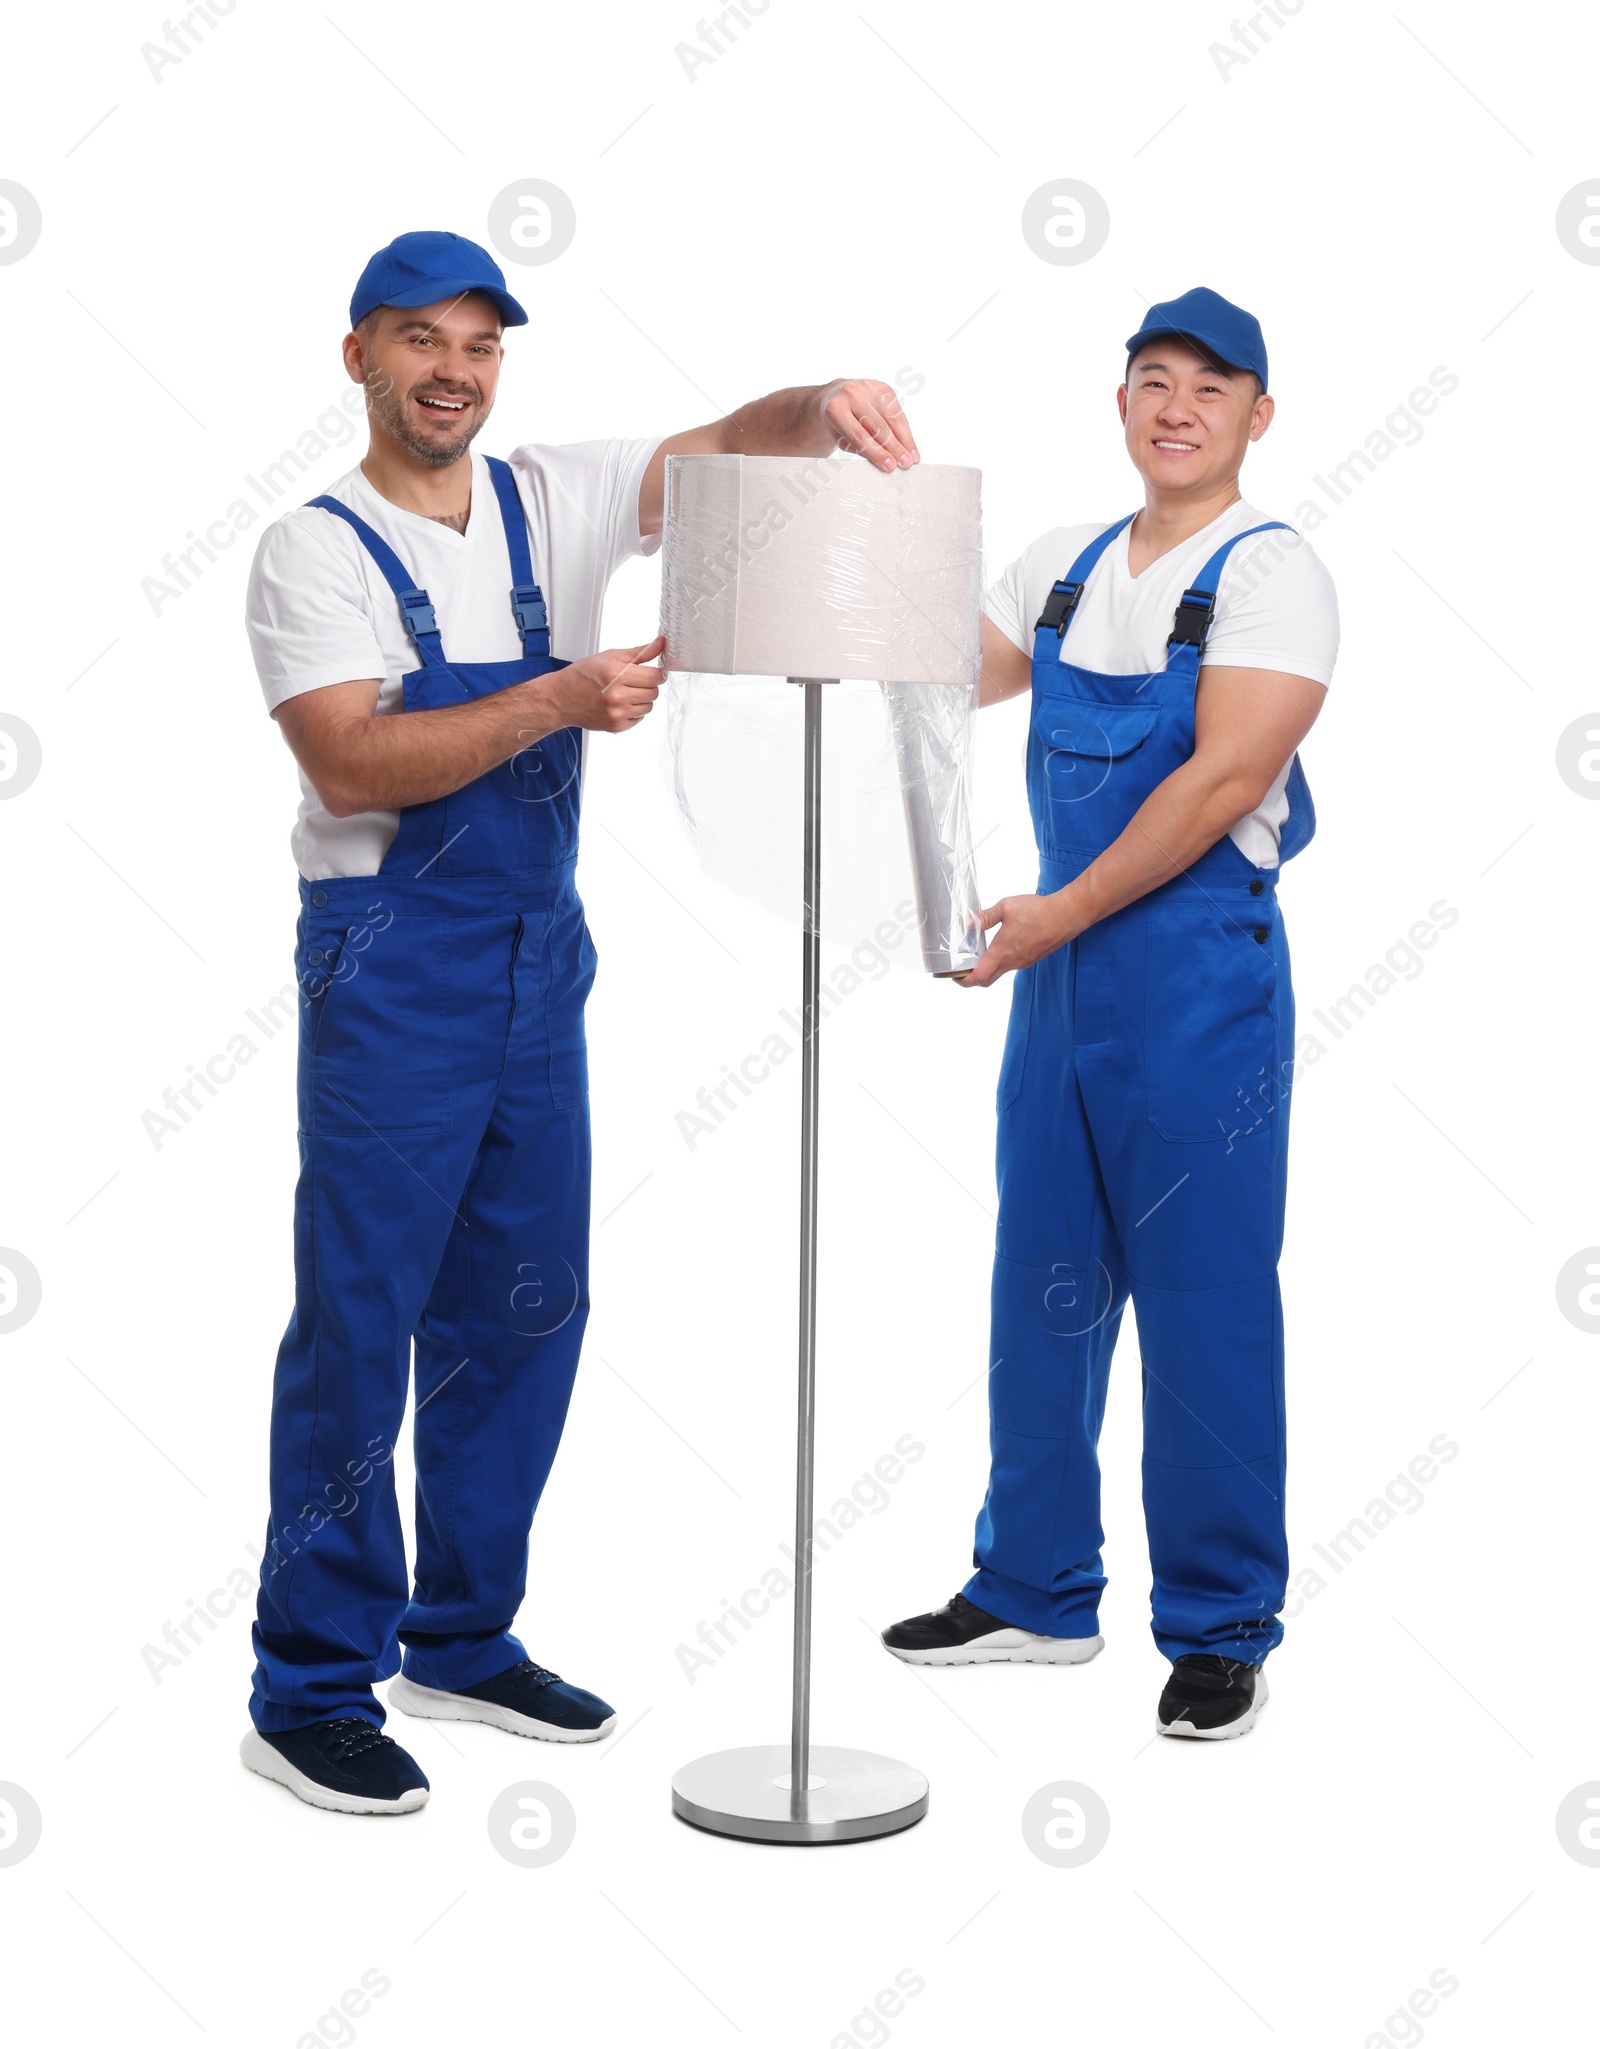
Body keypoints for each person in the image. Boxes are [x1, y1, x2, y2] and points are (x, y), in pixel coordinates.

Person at [241, 229, 921, 1814]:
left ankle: (461, 1636)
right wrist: (556, 697)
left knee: (526, 1307)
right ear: (360, 356)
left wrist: (821, 399)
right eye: (419, 340)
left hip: (540, 965)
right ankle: (308, 1684)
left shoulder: (555, 492)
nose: (451, 371)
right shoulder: (314, 550)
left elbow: (722, 454)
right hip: (392, 968)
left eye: (478, 345)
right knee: (362, 1317)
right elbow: (351, 763)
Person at [881, 287, 1337, 1740]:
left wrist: (1060, 911)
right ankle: (1030, 1586)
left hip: (1197, 987)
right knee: (1047, 1282)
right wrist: (860, 554)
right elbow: (933, 677)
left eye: (1214, 386)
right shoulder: (1063, 568)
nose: (1179, 406)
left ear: (1258, 415)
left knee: (1203, 1301)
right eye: (1154, 379)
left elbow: (1214, 785)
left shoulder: (1274, 576)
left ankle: (1216, 1629)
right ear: (1122, 401)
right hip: (1058, 985)